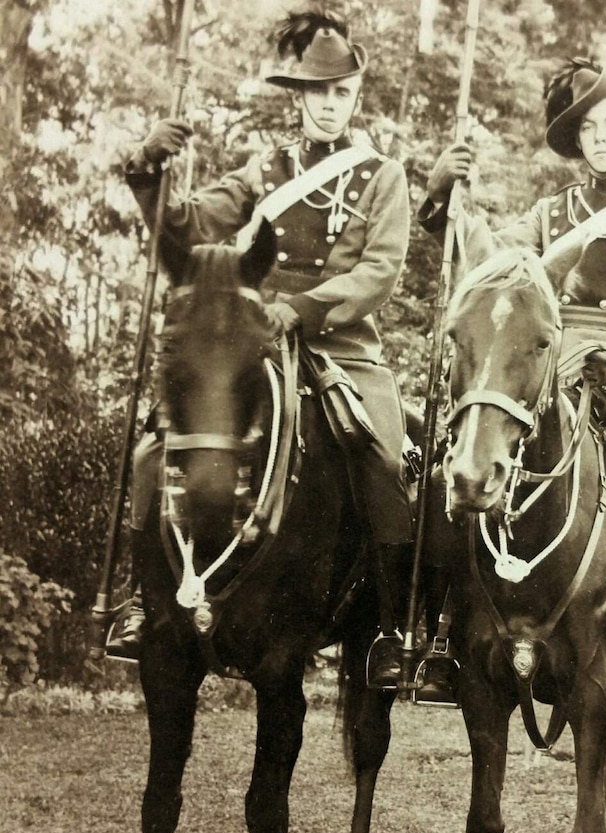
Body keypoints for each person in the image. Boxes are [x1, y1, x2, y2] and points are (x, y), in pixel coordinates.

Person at [107, 10, 414, 690]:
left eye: (342, 93)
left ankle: (388, 629)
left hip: (345, 347)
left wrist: (299, 308)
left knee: (388, 458)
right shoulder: (263, 171)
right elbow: (187, 225)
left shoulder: (382, 176)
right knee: (159, 443)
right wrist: (150, 168)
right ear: (297, 98)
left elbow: (380, 271)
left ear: (355, 97)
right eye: (318, 92)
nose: (330, 104)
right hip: (258, 343)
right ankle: (142, 598)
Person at [419, 57, 606, 730]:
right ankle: (439, 638)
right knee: (451, 475)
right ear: (575, 143)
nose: (602, 137)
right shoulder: (551, 214)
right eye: (589, 129)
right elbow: (493, 267)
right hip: (543, 373)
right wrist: (447, 203)